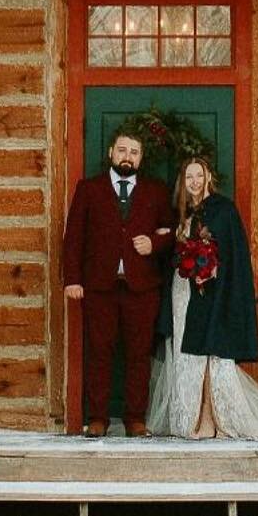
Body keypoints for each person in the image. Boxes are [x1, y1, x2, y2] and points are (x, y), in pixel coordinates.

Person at [148, 157, 258, 439]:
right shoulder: (184, 212)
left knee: (209, 355)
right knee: (188, 355)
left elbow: (230, 253)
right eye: (189, 178)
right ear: (183, 182)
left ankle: (214, 420)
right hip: (183, 292)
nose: (195, 182)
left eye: (199, 176)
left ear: (208, 176)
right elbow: (179, 251)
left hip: (211, 293)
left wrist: (210, 271)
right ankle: (194, 418)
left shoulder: (223, 209)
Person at [61, 129, 173, 437]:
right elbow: (73, 239)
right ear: (111, 152)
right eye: (122, 150)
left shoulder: (156, 191)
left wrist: (153, 243)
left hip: (142, 288)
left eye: (134, 152)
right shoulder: (89, 189)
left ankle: (135, 419)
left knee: (139, 354)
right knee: (99, 351)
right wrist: (72, 279)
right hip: (99, 287)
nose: (127, 157)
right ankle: (97, 418)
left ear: (141, 158)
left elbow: (171, 233)